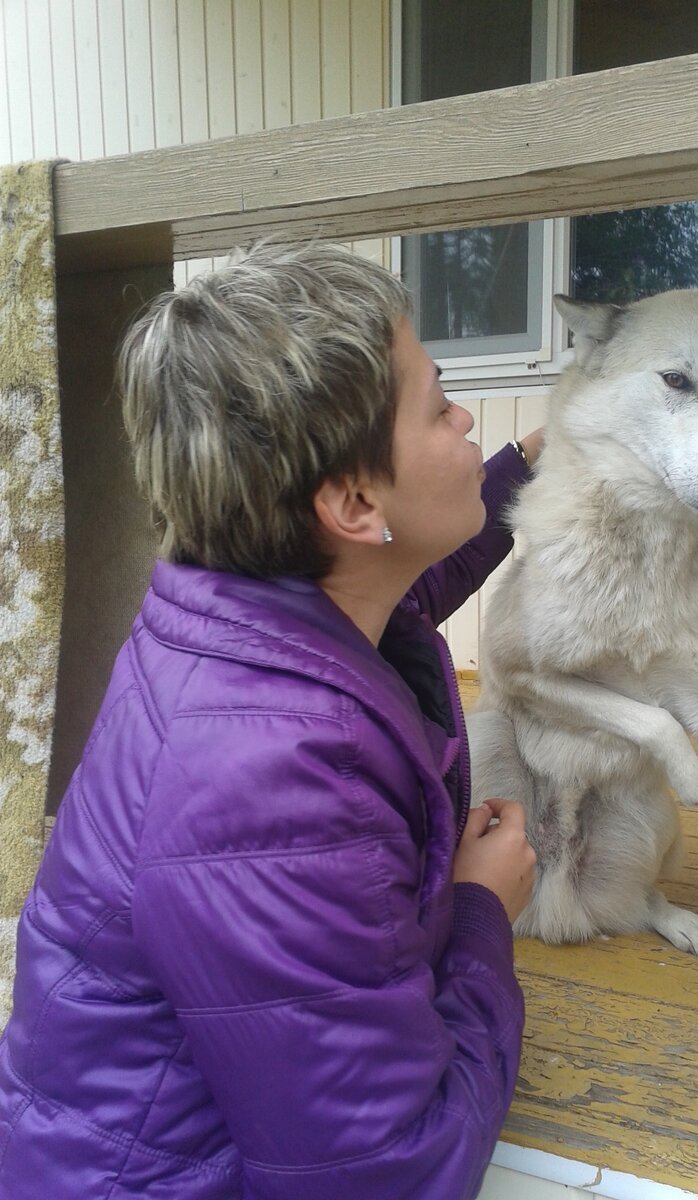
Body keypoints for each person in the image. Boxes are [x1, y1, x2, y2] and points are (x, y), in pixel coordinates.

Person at [0, 242, 540, 1200]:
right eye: (439, 403)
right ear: (354, 502)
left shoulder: (243, 609)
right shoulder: (275, 780)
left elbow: (401, 595)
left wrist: (516, 474)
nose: (465, 419)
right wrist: (481, 913)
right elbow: (389, 1174)